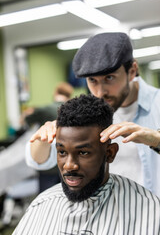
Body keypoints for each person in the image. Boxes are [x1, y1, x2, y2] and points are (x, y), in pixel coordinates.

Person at [26, 32, 160, 197]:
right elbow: (38, 160)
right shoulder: (88, 113)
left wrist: (156, 140)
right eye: (92, 81)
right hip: (109, 214)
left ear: (132, 71)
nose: (100, 92)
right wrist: (43, 139)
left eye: (109, 78)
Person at [13, 95, 160, 235]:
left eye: (83, 153)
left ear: (110, 153)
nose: (69, 166)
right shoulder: (42, 205)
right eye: (62, 152)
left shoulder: (148, 210)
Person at [24, 82, 73, 192]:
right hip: (68, 165)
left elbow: (26, 120)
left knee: (47, 201)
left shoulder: (44, 110)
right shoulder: (74, 112)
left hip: (47, 167)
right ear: (69, 96)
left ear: (55, 93)